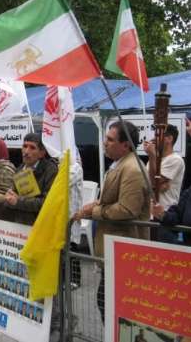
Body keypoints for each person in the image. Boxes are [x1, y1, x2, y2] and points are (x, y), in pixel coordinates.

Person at [74, 120, 150, 323]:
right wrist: (95, 204)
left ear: (125, 145)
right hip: (114, 249)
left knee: (113, 305)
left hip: (125, 251)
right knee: (106, 302)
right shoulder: (120, 164)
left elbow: (127, 209)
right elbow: (114, 199)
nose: (104, 143)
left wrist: (95, 211)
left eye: (109, 139)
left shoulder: (132, 169)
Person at [4, 133, 58, 225]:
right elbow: (11, 200)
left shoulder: (50, 170)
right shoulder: (19, 170)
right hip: (19, 225)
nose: (26, 151)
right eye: (25, 146)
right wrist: (9, 198)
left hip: (40, 226)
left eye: (32, 148)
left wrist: (18, 201)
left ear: (42, 153)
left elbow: (47, 203)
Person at [143, 124, 185, 243]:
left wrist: (151, 156)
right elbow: (151, 186)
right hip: (149, 216)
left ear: (169, 139)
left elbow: (154, 184)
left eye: (158, 135)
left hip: (164, 217)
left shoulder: (176, 159)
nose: (154, 138)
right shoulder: (155, 160)